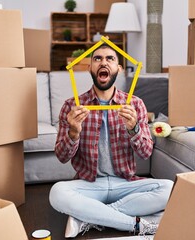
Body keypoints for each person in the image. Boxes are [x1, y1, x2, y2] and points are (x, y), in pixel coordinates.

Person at [49, 43, 173, 238]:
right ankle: (134, 224)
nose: (103, 62)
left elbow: (145, 152)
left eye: (110, 59)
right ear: (90, 67)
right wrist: (73, 132)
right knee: (57, 192)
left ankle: (92, 217)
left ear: (118, 69)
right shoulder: (72, 106)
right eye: (97, 58)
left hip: (124, 183)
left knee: (169, 188)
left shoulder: (135, 104)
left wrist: (134, 128)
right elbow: (62, 157)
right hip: (89, 184)